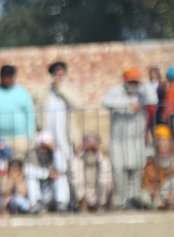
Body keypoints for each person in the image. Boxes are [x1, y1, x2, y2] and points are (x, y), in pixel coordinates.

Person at [103, 68, 151, 209]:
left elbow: (153, 98)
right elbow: (105, 102)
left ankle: (134, 202)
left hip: (137, 141)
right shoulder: (115, 92)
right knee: (119, 172)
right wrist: (128, 103)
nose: (133, 84)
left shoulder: (142, 93)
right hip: (119, 141)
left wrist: (145, 85)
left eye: (136, 82)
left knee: (137, 172)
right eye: (130, 81)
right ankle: (121, 203)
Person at [33, 61, 79, 205]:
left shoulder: (69, 89)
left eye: (61, 72)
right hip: (49, 135)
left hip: (66, 136)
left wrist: (61, 89)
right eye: (56, 73)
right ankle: (56, 200)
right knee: (53, 168)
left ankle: (71, 199)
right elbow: (33, 100)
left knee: (68, 167)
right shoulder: (44, 90)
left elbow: (78, 104)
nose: (58, 75)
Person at [0, 64, 34, 159]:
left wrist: (30, 136)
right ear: (1, 76)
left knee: (19, 165)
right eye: (5, 77)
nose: (7, 80)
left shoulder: (22, 93)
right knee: (0, 166)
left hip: (20, 138)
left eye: (10, 77)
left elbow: (30, 115)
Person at [24, 131, 68, 212]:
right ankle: (35, 205)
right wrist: (47, 174)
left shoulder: (54, 154)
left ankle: (61, 204)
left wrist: (56, 150)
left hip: (51, 192)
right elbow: (26, 170)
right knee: (30, 179)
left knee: (61, 177)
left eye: (47, 147)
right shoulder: (32, 154)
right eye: (42, 146)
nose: (44, 149)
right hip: (39, 193)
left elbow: (63, 168)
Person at [69, 134, 113, 212]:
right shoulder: (80, 157)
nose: (90, 151)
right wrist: (80, 149)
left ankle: (102, 205)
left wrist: (99, 147)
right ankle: (82, 205)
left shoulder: (100, 156)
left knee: (106, 174)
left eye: (92, 148)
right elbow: (73, 165)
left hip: (98, 193)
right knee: (75, 171)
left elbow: (106, 165)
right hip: (84, 194)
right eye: (87, 149)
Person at [142, 124, 174, 209]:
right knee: (143, 197)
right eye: (158, 139)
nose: (163, 150)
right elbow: (146, 183)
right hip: (154, 194)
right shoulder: (150, 162)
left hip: (168, 192)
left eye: (164, 140)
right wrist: (153, 191)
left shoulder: (172, 160)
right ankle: (160, 205)